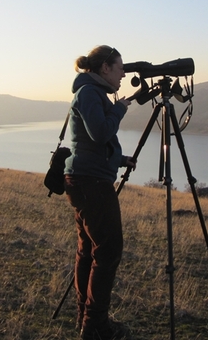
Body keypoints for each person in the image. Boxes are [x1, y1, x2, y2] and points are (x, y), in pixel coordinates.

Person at [64, 45, 136, 340]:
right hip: (91, 183)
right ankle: (95, 326)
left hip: (84, 179)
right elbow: (100, 132)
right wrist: (120, 109)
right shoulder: (90, 94)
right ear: (104, 68)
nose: (122, 75)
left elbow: (89, 142)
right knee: (108, 251)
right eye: (120, 68)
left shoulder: (91, 93)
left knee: (88, 251)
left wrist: (118, 159)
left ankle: (86, 317)